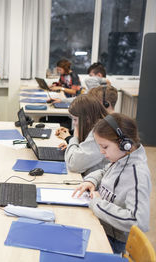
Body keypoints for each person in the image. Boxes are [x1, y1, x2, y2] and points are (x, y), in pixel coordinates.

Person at [73, 113, 151, 254]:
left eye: (105, 147)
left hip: (113, 241)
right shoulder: (121, 158)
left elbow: (139, 221)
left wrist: (98, 204)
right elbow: (104, 171)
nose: (102, 152)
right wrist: (92, 180)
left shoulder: (137, 175)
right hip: (101, 223)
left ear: (125, 144)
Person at [56, 95, 109, 176]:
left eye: (75, 119)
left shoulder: (100, 132)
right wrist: (73, 147)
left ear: (87, 118)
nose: (73, 123)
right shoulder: (100, 124)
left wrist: (75, 137)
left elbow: (73, 165)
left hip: (95, 183)